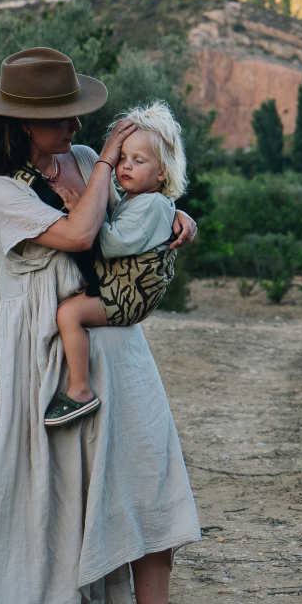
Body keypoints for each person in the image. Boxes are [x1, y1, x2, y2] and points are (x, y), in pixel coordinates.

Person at [0, 47, 213, 604]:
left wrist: (176, 217)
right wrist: (105, 162)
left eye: (80, 120)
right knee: (67, 492)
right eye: (63, 121)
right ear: (22, 124)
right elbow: (77, 237)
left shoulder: (81, 162)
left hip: (117, 341)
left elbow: (127, 219)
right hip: (51, 349)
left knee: (151, 474)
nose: (77, 131)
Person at [44, 100, 187, 427]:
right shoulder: (142, 200)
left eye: (138, 160)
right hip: (125, 286)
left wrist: (81, 210)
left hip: (129, 294)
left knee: (69, 313)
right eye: (122, 157)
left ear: (163, 171)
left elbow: (109, 244)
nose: (125, 166)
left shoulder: (151, 205)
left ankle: (80, 391)